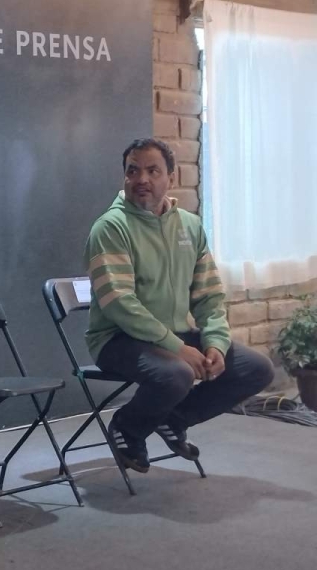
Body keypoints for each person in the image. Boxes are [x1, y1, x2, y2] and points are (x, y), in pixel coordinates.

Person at [84, 138, 274, 474]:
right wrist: (177, 348)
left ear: (171, 177)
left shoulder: (190, 226)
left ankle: (174, 417)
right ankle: (127, 427)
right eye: (133, 171)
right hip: (119, 340)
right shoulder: (110, 228)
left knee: (256, 368)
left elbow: (209, 296)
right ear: (124, 178)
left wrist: (215, 342)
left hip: (176, 335)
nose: (142, 178)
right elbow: (119, 305)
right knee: (178, 373)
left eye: (152, 170)